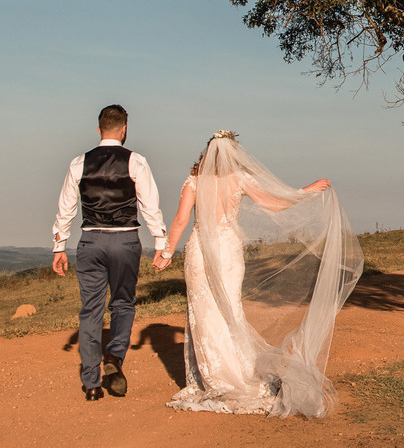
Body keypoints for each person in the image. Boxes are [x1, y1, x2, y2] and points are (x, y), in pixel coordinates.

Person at [156, 130, 363, 417]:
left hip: (199, 250)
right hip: (228, 250)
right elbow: (273, 203)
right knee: (230, 310)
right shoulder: (239, 179)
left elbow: (180, 220)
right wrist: (306, 191)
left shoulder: (193, 181)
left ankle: (215, 375)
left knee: (203, 312)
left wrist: (166, 253)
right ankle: (235, 371)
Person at [52, 104, 168, 401]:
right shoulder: (136, 161)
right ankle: (115, 357)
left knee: (90, 311)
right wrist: (161, 243)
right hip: (125, 241)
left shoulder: (79, 162)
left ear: (99, 129)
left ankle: (91, 384)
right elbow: (149, 205)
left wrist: (59, 246)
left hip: (90, 241)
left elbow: (66, 207)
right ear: (124, 129)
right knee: (123, 304)